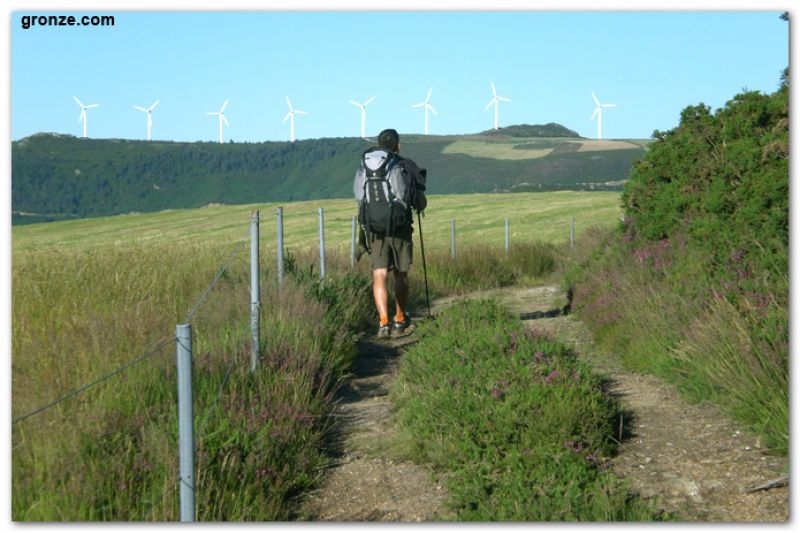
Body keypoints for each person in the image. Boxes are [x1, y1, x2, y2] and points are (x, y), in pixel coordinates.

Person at [354, 128, 427, 338]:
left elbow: (359, 197)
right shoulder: (400, 165)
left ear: (378, 144)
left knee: (379, 273)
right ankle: (400, 317)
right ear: (398, 145)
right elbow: (410, 197)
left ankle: (383, 321)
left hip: (374, 228)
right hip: (399, 227)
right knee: (400, 274)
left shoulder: (364, 166)